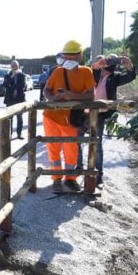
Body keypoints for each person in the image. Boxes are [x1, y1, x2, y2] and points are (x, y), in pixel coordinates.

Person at [42, 40, 95, 192]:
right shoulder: (58, 71)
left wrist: (71, 95)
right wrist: (52, 99)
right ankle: (56, 178)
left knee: (71, 150)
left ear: (80, 56)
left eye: (72, 56)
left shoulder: (86, 72)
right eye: (66, 56)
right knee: (53, 149)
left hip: (70, 119)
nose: (69, 59)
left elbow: (91, 95)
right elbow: (47, 90)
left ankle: (71, 178)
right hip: (51, 117)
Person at [79, 53, 136, 185]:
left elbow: (130, 76)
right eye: (107, 60)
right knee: (78, 140)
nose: (108, 63)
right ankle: (79, 166)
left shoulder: (115, 77)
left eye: (111, 61)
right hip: (84, 112)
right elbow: (83, 73)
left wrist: (129, 66)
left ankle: (98, 174)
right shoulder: (93, 73)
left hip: (100, 114)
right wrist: (95, 66)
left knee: (97, 145)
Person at [3, 60, 27, 139]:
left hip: (19, 99)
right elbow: (5, 85)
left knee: (19, 118)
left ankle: (19, 134)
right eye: (13, 66)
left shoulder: (22, 75)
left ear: (18, 66)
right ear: (11, 67)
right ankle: (9, 134)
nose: (14, 67)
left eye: (15, 66)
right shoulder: (7, 75)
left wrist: (11, 86)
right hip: (10, 100)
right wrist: (12, 77)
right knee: (10, 118)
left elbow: (22, 86)